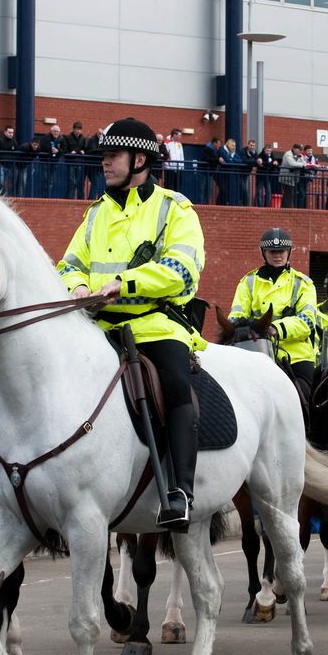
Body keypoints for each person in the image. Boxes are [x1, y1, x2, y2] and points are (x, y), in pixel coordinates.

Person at [58, 117, 206, 532]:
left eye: (112, 155)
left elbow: (183, 268)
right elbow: (68, 264)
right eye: (104, 155)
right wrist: (79, 287)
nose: (104, 163)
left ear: (139, 159)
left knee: (176, 384)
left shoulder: (174, 208)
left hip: (156, 325)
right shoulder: (95, 213)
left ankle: (180, 491)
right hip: (98, 328)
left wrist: (125, 284)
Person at [228, 228, 319, 393]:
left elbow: (307, 321)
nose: (278, 255)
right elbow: (236, 317)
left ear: (289, 252)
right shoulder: (247, 282)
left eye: (282, 251)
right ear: (263, 253)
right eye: (272, 251)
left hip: (295, 355)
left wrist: (276, 328)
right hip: (255, 349)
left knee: (308, 395)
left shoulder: (303, 284)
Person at [61, 121, 89, 199]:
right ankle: (69, 198)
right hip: (71, 162)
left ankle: (80, 198)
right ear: (73, 129)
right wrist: (70, 152)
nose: (78, 131)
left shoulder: (83, 138)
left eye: (79, 129)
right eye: (76, 129)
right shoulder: (68, 138)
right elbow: (64, 149)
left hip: (80, 162)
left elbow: (86, 148)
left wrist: (83, 151)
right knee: (71, 182)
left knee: (80, 182)